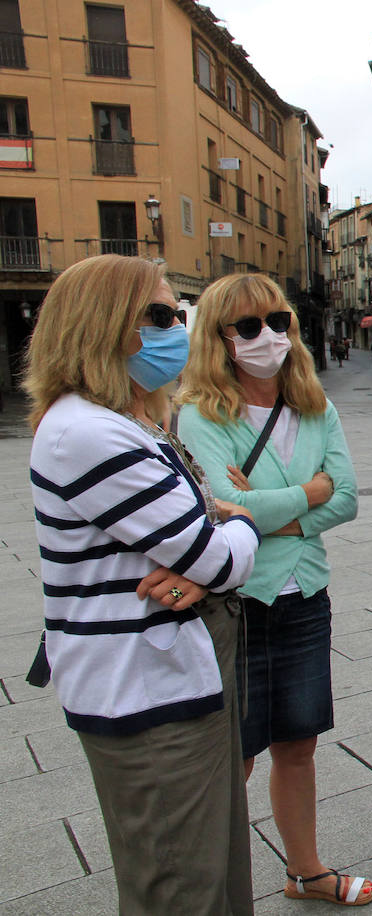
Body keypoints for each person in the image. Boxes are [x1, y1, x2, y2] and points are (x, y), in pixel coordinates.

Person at [24, 254, 261, 913]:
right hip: (147, 695)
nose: (176, 329)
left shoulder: (123, 424)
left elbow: (198, 542)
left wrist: (213, 535)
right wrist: (242, 522)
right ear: (101, 326)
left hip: (173, 676)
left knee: (213, 871)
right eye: (158, 315)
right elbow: (217, 557)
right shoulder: (92, 433)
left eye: (177, 315)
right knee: (179, 884)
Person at [176, 274, 368, 906]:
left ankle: (305, 873)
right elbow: (220, 508)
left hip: (305, 596)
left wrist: (267, 509)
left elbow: (344, 500)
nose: (268, 336)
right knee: (234, 754)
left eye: (278, 321)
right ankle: (218, 889)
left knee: (298, 744)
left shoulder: (318, 406)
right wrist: (305, 493)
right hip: (236, 602)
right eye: (249, 327)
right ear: (220, 339)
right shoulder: (201, 413)